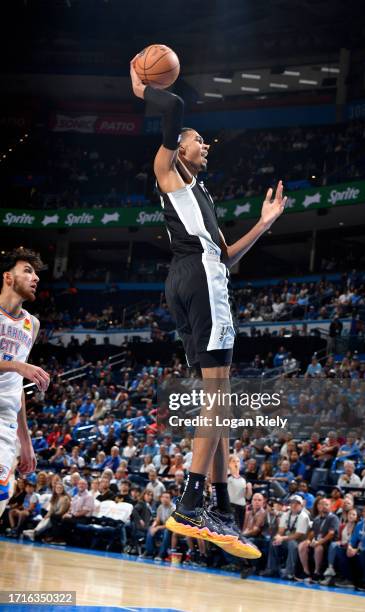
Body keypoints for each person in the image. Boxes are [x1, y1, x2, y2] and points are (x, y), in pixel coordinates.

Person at [130, 60, 286, 560]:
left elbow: (227, 256)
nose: (206, 145)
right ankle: (193, 501)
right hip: (197, 277)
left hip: (192, 275)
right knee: (218, 397)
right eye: (199, 140)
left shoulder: (200, 193)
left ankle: (219, 509)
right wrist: (143, 84)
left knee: (217, 397)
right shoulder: (168, 168)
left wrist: (263, 224)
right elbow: (173, 105)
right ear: (180, 146)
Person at [0, 248, 50, 517]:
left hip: (5, 423)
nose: (35, 278)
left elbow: (17, 383)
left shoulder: (32, 324)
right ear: (8, 277)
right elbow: (19, 369)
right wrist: (18, 365)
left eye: (36, 273)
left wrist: (26, 441)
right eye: (27, 271)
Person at [335, 503, 365, 591]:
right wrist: (350, 547)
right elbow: (353, 539)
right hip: (360, 549)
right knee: (340, 550)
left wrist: (357, 550)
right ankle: (349, 580)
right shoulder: (360, 524)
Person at [261, 495, 310, 579]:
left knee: (292, 545)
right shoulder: (286, 514)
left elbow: (298, 535)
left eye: (297, 503)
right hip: (288, 538)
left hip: (301, 541)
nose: (294, 505)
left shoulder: (303, 516)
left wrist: (282, 538)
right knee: (274, 541)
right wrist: (278, 536)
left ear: (301, 505)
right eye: (292, 503)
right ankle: (272, 568)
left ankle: (289, 572)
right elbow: (281, 530)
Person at [296, 498, 339, 582]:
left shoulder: (333, 518)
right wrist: (308, 540)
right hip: (317, 541)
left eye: (326, 504)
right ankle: (306, 571)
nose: (323, 506)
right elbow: (313, 533)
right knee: (302, 545)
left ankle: (317, 572)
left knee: (318, 548)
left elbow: (331, 534)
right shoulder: (317, 519)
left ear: (331, 506)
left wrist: (318, 542)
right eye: (322, 504)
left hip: (328, 543)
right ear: (318, 506)